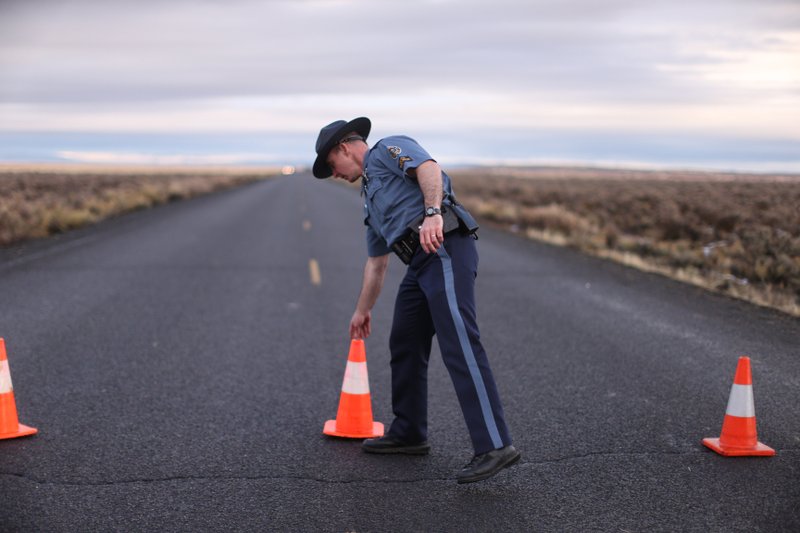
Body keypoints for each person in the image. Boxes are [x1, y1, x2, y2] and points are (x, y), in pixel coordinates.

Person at [312, 117, 520, 484]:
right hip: (418, 264)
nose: (334, 174)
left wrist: (432, 214)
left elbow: (429, 167)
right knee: (405, 340)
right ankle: (409, 432)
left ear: (344, 147)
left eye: (331, 165)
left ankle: (495, 444)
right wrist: (362, 310)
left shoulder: (386, 150)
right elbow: (376, 263)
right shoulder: (369, 200)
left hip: (443, 247)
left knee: (458, 341)